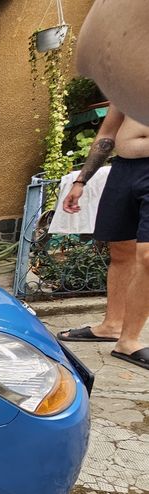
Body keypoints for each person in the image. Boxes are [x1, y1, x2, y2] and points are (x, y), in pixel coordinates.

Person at [58, 104, 149, 371]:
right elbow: (107, 134)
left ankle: (128, 341)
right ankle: (112, 325)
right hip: (124, 170)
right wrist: (80, 182)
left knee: (147, 256)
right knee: (120, 251)